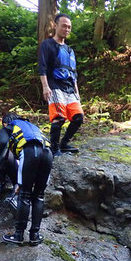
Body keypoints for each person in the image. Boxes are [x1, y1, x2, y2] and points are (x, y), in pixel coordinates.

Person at [0, 113, 53, 245]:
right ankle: (35, 235)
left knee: (24, 194)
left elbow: (3, 142)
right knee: (39, 195)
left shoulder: (9, 127)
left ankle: (18, 236)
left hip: (30, 152)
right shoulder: (32, 126)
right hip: (48, 154)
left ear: (5, 123)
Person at [38, 13, 84, 156]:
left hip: (70, 88)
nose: (67, 29)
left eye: (69, 27)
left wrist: (77, 92)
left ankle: (64, 144)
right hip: (54, 85)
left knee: (78, 117)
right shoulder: (47, 44)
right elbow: (42, 67)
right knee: (59, 117)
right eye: (64, 26)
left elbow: (73, 73)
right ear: (55, 25)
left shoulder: (70, 50)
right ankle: (54, 148)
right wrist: (45, 86)